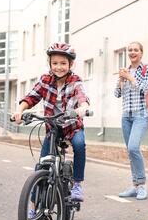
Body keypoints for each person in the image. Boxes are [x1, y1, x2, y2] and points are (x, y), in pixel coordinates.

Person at [12, 42, 90, 204]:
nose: (59, 67)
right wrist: (20, 111)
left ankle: (76, 184)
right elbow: (31, 97)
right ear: (50, 64)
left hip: (72, 127)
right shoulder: (45, 80)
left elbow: (82, 96)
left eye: (63, 63)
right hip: (52, 128)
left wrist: (83, 108)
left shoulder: (75, 80)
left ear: (71, 64)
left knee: (79, 145)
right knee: (41, 166)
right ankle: (33, 208)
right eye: (55, 63)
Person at [114, 41, 148, 200]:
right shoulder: (125, 71)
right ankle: (135, 185)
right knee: (130, 152)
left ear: (141, 53)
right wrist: (121, 80)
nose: (132, 52)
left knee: (133, 147)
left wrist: (130, 78)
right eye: (130, 50)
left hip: (141, 115)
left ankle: (142, 185)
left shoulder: (147, 69)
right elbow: (117, 94)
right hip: (126, 116)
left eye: (135, 50)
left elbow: (145, 89)